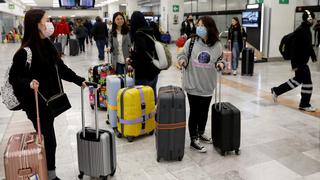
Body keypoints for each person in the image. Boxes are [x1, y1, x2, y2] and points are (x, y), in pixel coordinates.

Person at [9, 9, 86, 180]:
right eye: (46, 20)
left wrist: (80, 80)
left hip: (49, 101)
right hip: (35, 103)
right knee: (49, 140)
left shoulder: (48, 45)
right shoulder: (25, 52)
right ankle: (50, 176)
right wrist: (28, 83)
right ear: (37, 23)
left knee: (48, 139)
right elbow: (14, 77)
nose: (49, 23)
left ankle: (48, 173)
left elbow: (62, 69)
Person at [177, 16, 224, 153]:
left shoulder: (217, 45)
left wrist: (221, 63)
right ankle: (193, 139)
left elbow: (220, 59)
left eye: (202, 25)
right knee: (195, 111)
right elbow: (182, 55)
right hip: (192, 83)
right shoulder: (191, 42)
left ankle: (201, 132)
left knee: (204, 111)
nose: (199, 28)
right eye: (198, 25)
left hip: (208, 85)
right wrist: (182, 61)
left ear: (209, 28)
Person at [271, 10, 317, 112]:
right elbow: (294, 49)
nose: (314, 20)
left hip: (302, 61)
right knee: (308, 83)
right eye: (313, 18)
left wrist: (313, 55)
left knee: (297, 80)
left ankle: (276, 90)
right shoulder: (300, 31)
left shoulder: (306, 30)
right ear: (309, 19)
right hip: (300, 62)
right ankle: (304, 104)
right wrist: (294, 65)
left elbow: (308, 45)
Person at [128, 11, 160, 98]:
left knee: (143, 99)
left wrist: (132, 63)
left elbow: (141, 56)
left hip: (143, 73)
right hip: (154, 69)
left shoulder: (138, 35)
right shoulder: (151, 31)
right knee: (152, 96)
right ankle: (154, 111)